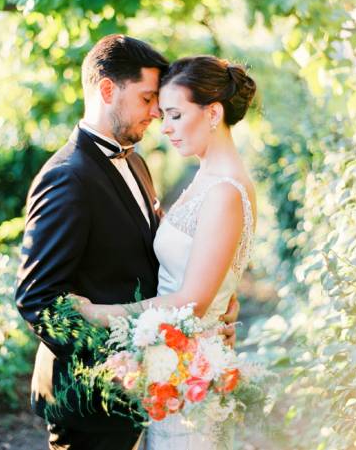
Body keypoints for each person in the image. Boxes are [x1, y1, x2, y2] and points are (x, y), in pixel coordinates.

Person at [15, 35, 239, 450]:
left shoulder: (135, 158)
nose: (157, 112)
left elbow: (153, 261)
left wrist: (205, 320)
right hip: (91, 397)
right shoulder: (67, 177)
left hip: (148, 386)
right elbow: (37, 300)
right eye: (147, 98)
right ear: (107, 90)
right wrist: (118, 360)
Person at [72, 54, 257, 450]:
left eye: (174, 114)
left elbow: (191, 300)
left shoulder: (224, 190)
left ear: (212, 113)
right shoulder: (205, 176)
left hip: (190, 373)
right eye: (162, 113)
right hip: (174, 364)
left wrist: (96, 313)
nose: (165, 126)